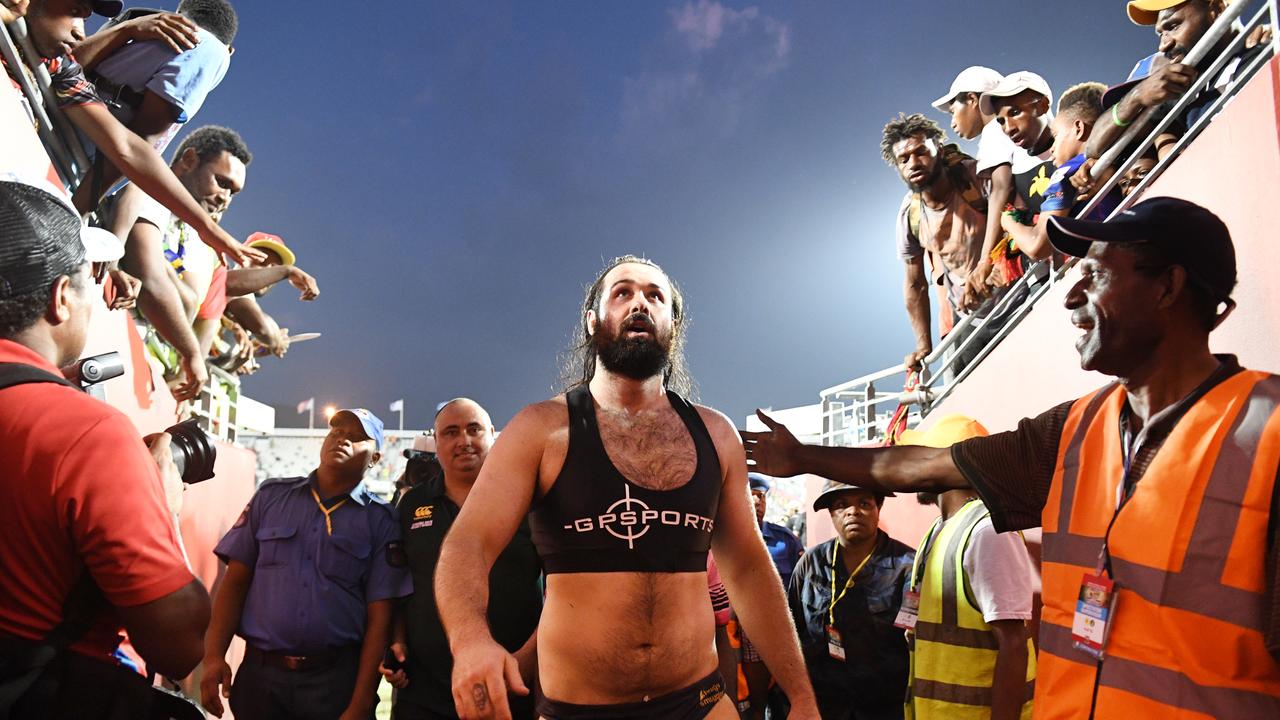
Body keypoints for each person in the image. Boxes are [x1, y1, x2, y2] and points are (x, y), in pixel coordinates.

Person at [745, 197, 1280, 717]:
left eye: (1095, 275)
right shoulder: (1073, 428)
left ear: (1168, 285)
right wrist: (803, 457)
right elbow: (923, 466)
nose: (1071, 297)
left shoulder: (1269, 431)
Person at [435, 255, 819, 719]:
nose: (640, 302)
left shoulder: (716, 435)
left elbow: (751, 569)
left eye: (655, 295)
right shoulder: (541, 430)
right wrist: (471, 639)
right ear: (593, 320)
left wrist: (801, 695)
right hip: (580, 709)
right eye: (622, 292)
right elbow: (468, 543)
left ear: (673, 325)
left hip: (699, 703)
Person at [0, 176, 210, 718]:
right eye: (88, 279)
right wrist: (163, 500)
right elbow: (178, 644)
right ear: (61, 298)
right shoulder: (86, 434)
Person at [11, 0, 261, 266]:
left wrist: (98, 241)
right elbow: (132, 149)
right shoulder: (210, 51)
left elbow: (131, 151)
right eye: (75, 11)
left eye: (85, 17)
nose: (80, 32)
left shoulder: (70, 76)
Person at [200, 408, 412, 720]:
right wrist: (214, 656)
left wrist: (362, 702)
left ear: (375, 459)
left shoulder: (380, 520)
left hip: (333, 681)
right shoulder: (271, 497)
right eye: (337, 431)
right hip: (261, 676)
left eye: (356, 438)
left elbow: (379, 619)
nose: (342, 439)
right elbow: (235, 581)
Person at [380, 399, 542, 720]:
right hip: (424, 691)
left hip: (511, 686)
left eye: (474, 429)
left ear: (493, 434)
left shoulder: (530, 499)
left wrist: (527, 661)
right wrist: (397, 641)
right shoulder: (413, 504)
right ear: (437, 442)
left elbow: (563, 591)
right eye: (451, 432)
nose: (463, 441)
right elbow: (399, 584)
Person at [896, 416, 1035, 720]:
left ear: (952, 465)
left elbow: (1013, 645)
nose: (915, 466)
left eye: (925, 456)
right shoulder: (938, 530)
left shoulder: (988, 531)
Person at [108, 124, 250, 400]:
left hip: (151, 382)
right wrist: (192, 353)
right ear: (188, 160)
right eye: (222, 182)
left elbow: (191, 305)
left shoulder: (199, 241)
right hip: (113, 358)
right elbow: (151, 283)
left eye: (233, 193)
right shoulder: (147, 193)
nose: (225, 198)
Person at [69, 0, 237, 198]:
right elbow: (136, 144)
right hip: (67, 162)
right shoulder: (211, 50)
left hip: (57, 142)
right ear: (230, 49)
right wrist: (78, 209)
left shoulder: (138, 28)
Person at [787, 481, 914, 719]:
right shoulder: (811, 563)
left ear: (878, 508)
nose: (853, 511)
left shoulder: (908, 566)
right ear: (831, 514)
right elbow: (791, 630)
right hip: (823, 703)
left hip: (884, 706)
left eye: (864, 503)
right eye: (841, 505)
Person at [882, 113, 987, 371]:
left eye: (921, 152)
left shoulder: (976, 177)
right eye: (903, 159)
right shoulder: (910, 214)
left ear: (939, 149)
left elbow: (1016, 218)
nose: (913, 163)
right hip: (965, 321)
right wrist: (923, 347)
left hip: (1015, 298)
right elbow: (915, 283)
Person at [930, 66, 1026, 312]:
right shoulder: (1016, 128)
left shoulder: (994, 131)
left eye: (953, 111)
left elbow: (1001, 189)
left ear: (972, 99)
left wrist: (985, 260)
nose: (952, 122)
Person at [1000, 82, 1118, 261]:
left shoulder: (1066, 173)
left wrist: (1007, 223)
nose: (1053, 148)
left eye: (1055, 136)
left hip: (1106, 260)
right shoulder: (1119, 153)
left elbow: (1036, 247)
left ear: (1078, 129)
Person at [735, 473, 805, 718]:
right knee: (753, 702)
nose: (757, 502)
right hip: (742, 631)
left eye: (761, 496)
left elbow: (800, 585)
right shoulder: (724, 538)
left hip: (783, 629)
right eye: (750, 496)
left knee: (786, 700)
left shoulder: (785, 540)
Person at [979, 72, 1056, 217]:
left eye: (1015, 112)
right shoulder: (1018, 164)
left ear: (1043, 105)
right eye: (1001, 121)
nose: (1008, 128)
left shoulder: (1075, 148)